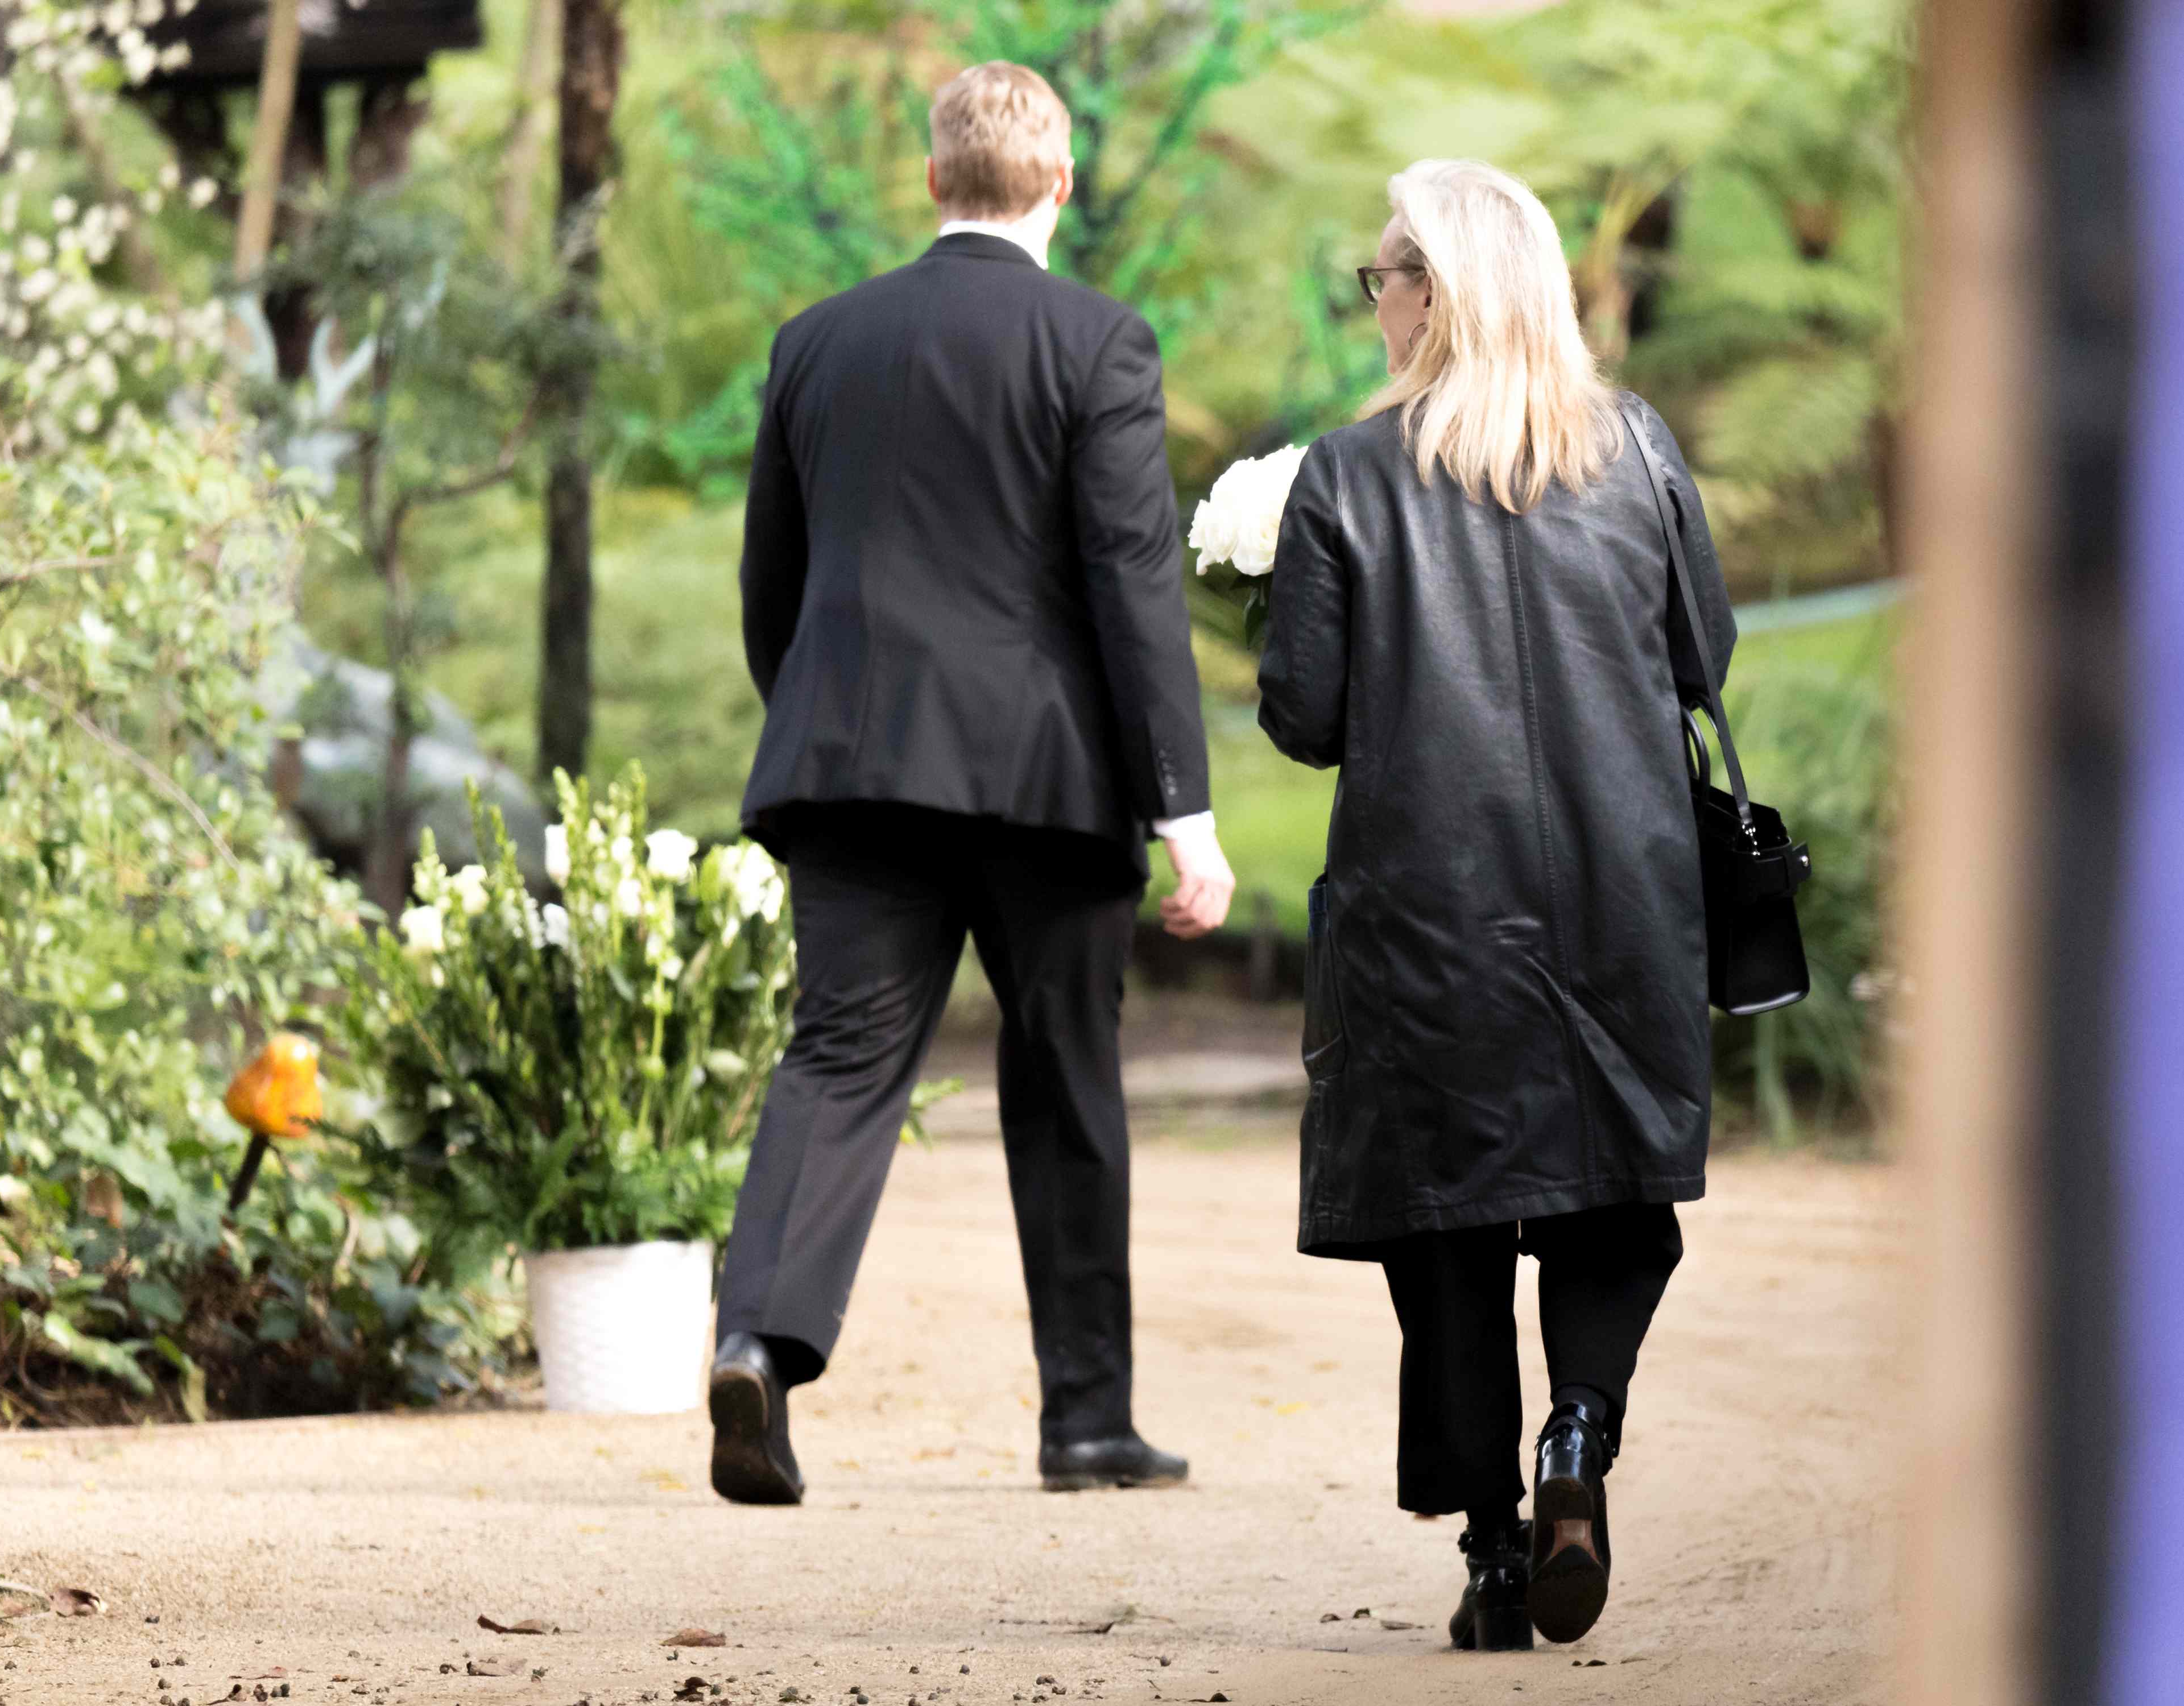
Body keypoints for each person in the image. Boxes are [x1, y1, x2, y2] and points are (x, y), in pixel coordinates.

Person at [710, 60, 1237, 1507]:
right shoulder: (1097, 343)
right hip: (1045, 785)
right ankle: (1085, 1425)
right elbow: (1132, 587)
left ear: (933, 181)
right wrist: (1181, 811)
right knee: (1064, 1079)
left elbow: (776, 586)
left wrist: (827, 729)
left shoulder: (816, 341)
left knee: (838, 1059)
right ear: (1058, 184)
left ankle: (756, 1340)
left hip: (853, 762)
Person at [1256, 159, 1737, 1651]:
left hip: (1428, 919)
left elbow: (1304, 718)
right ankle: (1577, 1447)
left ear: (1432, 294)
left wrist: (1260, 603)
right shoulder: (1637, 448)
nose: (1374, 304)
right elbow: (1700, 658)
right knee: (1610, 1200)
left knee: (1446, 1227)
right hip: (1618, 898)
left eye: (1380, 279)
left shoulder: (1346, 476)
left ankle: (1490, 1560)